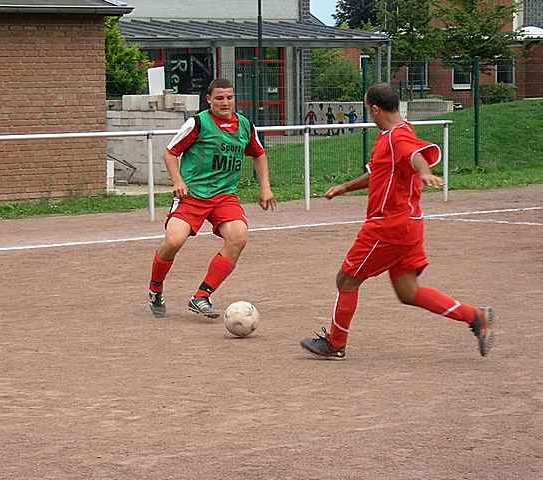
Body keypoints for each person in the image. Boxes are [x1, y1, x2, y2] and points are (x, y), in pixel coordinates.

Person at [300, 83, 495, 360]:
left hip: (388, 226)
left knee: (346, 279)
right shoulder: (395, 134)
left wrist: (425, 172)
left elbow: (414, 155)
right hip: (409, 225)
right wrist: (345, 187)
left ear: (375, 108)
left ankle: (335, 343)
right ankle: (476, 317)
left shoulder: (396, 138)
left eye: (369, 109)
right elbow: (378, 173)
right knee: (408, 292)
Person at [148, 78, 277, 319]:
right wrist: (178, 181)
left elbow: (259, 154)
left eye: (229, 97)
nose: (225, 102)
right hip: (193, 195)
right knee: (174, 241)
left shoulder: (245, 125)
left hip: (224, 196)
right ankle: (155, 288)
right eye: (219, 98)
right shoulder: (198, 123)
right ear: (209, 99)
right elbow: (170, 152)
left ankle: (202, 296)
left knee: (238, 237)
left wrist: (265, 188)